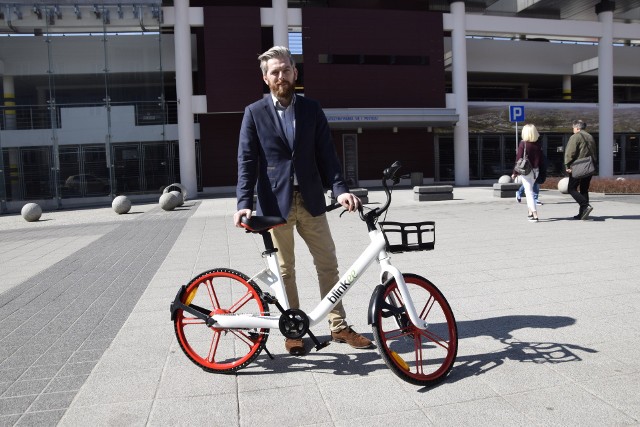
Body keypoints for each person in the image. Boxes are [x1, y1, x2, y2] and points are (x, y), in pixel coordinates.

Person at [233, 46, 373, 356]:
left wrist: (340, 190)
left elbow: (327, 155)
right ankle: (293, 329)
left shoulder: (312, 109)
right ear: (265, 77)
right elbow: (246, 160)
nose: (280, 76)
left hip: (310, 200)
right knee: (285, 271)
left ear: (295, 73)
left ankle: (338, 327)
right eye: (274, 72)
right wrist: (244, 201)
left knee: (328, 264)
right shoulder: (254, 113)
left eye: (285, 70)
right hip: (274, 204)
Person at [565, 119, 597, 220]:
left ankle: (585, 205)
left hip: (577, 166)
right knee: (584, 189)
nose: (573, 130)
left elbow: (570, 153)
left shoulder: (575, 137)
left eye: (573, 128)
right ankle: (583, 214)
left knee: (571, 188)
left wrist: (567, 165)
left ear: (577, 128)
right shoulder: (590, 136)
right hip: (589, 166)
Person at [511, 123, 543, 222]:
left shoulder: (523, 143)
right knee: (529, 190)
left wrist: (514, 173)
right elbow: (541, 159)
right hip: (535, 171)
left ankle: (535, 214)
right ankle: (529, 212)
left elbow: (518, 160)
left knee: (529, 193)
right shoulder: (538, 144)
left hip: (526, 171)